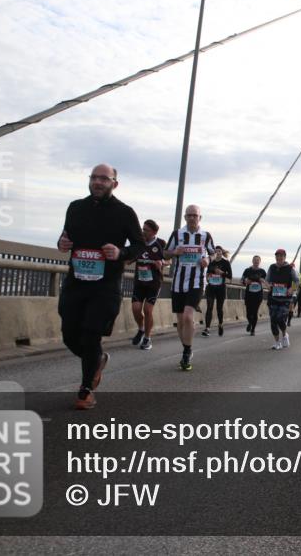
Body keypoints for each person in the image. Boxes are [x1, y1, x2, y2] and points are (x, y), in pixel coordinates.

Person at [56, 163, 143, 409]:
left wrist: (121, 252)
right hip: (76, 284)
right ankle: (98, 360)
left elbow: (139, 246)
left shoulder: (125, 212)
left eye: (104, 179)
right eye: (94, 177)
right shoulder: (75, 207)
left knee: (91, 334)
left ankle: (85, 390)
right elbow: (66, 237)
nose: (98, 182)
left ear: (115, 183)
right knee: (70, 336)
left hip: (105, 287)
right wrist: (62, 243)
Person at [165, 205, 215, 371]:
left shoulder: (206, 236)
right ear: (185, 217)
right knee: (180, 321)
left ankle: (186, 352)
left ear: (200, 217)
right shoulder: (177, 234)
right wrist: (175, 252)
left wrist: (207, 260)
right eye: (189, 215)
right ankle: (187, 348)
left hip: (197, 282)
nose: (192, 218)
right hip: (178, 282)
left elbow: (213, 253)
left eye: (195, 215)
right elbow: (165, 253)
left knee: (187, 316)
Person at [128, 219, 167, 350]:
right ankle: (141, 329)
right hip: (140, 282)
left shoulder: (161, 243)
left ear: (154, 232)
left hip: (153, 283)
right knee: (136, 309)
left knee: (147, 310)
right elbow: (129, 257)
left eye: (146, 230)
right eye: (142, 229)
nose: (143, 232)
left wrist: (162, 263)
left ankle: (147, 338)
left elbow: (169, 260)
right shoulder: (139, 243)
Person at [266, 249, 298, 349]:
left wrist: (291, 289)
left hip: (285, 299)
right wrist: (268, 285)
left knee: (280, 319)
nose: (279, 258)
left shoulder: (290, 268)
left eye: (281, 256)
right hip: (273, 298)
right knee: (273, 321)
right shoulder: (272, 267)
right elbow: (267, 280)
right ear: (275, 257)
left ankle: (284, 335)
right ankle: (277, 342)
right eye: (277, 256)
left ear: (285, 257)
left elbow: (297, 281)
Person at [202, 246, 232, 337]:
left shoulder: (225, 262)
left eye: (219, 251)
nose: (217, 253)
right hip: (211, 287)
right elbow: (207, 273)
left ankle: (220, 324)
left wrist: (222, 273)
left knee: (219, 308)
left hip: (220, 288)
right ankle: (207, 328)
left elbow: (230, 276)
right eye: (215, 251)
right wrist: (208, 277)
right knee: (209, 307)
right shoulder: (211, 262)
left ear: (221, 253)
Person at [241, 255, 267, 335]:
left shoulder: (262, 271)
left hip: (258, 294)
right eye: (255, 260)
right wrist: (245, 281)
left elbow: (267, 282)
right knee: (248, 313)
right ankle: (250, 323)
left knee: (255, 312)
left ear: (260, 262)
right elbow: (241, 280)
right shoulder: (247, 270)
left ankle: (253, 330)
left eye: (257, 260)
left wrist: (263, 281)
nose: (256, 261)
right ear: (252, 261)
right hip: (249, 294)